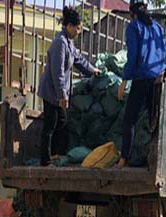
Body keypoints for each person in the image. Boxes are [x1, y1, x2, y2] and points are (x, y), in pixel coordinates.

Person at [38, 6, 100, 166]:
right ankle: (45, 160)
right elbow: (57, 72)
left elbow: (78, 59)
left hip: (59, 92)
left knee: (62, 122)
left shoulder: (69, 42)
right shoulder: (60, 43)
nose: (79, 31)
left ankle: (56, 155)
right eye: (78, 28)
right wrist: (62, 96)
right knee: (50, 125)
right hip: (52, 91)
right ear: (70, 26)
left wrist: (93, 70)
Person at [117, 0, 166, 168]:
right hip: (158, 80)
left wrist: (124, 80)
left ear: (132, 13)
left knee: (129, 120)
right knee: (155, 121)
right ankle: (157, 160)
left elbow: (132, 57)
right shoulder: (158, 28)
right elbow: (164, 54)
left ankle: (124, 158)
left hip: (141, 80)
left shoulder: (133, 27)